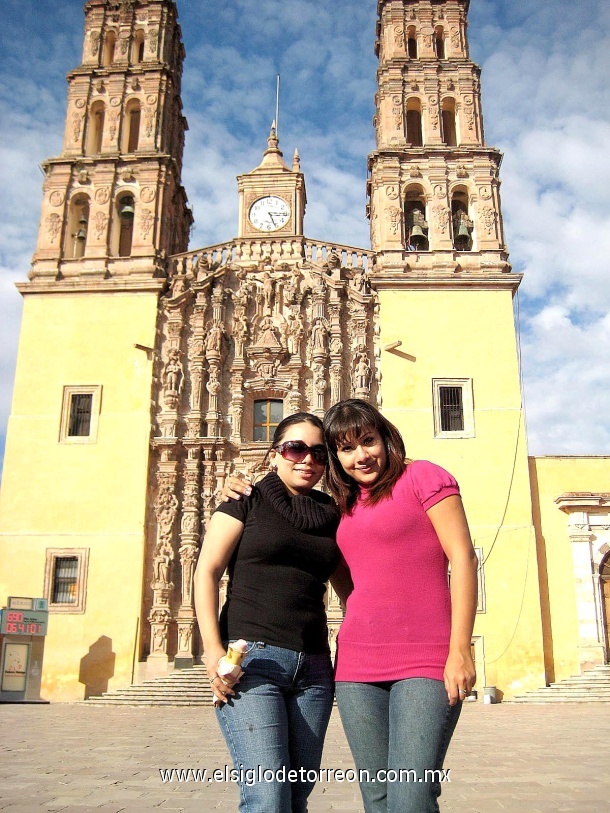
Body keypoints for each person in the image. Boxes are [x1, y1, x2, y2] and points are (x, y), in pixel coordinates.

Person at [224, 399, 478, 813]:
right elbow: (347, 582)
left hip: (427, 658)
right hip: (357, 666)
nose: (361, 455)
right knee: (377, 799)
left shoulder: (423, 476)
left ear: (386, 438)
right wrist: (237, 489)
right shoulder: (339, 508)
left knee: (411, 796)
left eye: (368, 441)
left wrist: (460, 649)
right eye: (345, 448)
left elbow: (464, 558)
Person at [193, 412, 350, 813]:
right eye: (295, 448)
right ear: (274, 454)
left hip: (314, 668)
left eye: (319, 452)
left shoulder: (332, 515)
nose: (307, 460)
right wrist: (212, 650)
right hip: (252, 661)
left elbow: (351, 591)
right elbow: (206, 571)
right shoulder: (245, 500)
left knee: (296, 796)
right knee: (267, 797)